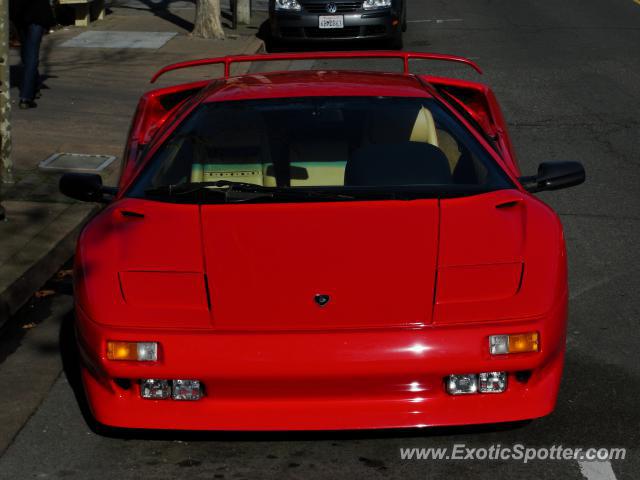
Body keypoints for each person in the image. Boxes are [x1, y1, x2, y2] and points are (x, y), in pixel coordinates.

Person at [9, 0, 55, 109]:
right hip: (35, 15)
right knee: (30, 55)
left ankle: (32, 88)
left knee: (27, 54)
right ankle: (27, 96)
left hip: (21, 15)